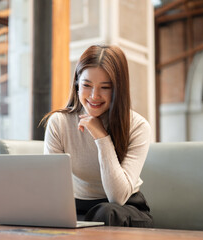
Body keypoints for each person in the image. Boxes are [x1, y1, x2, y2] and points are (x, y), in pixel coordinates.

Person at [42, 45, 153, 227]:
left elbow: (117, 197)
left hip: (124, 210)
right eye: (86, 85)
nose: (94, 96)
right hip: (77, 209)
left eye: (105, 87)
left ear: (118, 90)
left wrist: (102, 137)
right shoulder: (59, 123)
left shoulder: (138, 126)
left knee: (106, 212)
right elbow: (51, 187)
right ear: (77, 83)